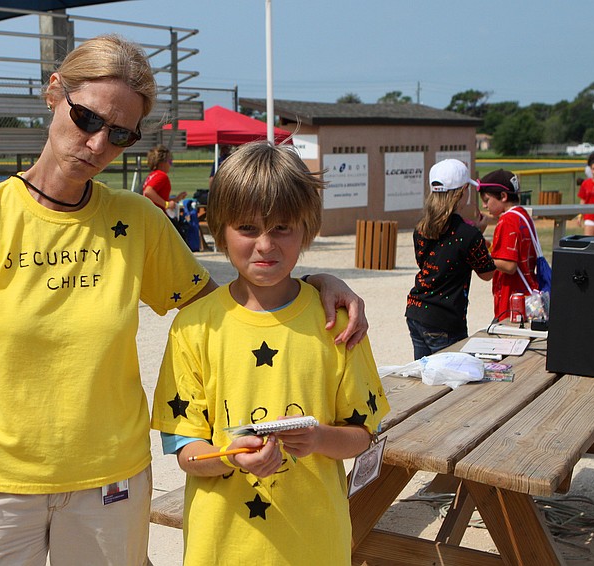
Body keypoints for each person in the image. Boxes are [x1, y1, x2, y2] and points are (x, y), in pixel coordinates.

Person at [0, 35, 370, 566]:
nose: (97, 145)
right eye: (87, 119)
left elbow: (230, 305)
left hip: (109, 487)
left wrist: (317, 281)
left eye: (119, 135)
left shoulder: (138, 222)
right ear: (54, 93)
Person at [151, 141, 390, 566]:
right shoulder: (193, 327)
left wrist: (317, 438)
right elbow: (187, 452)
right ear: (220, 228)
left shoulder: (336, 319)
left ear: (307, 228)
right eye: (246, 228)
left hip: (314, 543)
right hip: (221, 548)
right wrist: (231, 456)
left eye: (282, 227)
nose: (265, 245)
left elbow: (361, 435)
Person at [405, 159, 495, 359]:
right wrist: (480, 236)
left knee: (426, 375)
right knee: (451, 380)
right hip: (445, 318)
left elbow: (434, 260)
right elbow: (487, 273)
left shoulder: (421, 227)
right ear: (463, 191)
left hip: (416, 309)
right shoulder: (468, 233)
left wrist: (476, 233)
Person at [477, 169, 539, 321]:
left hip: (511, 301)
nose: (484, 205)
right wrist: (490, 247)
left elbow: (509, 265)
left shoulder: (507, 221)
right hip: (526, 294)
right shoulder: (522, 215)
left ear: (503, 196)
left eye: (486, 200)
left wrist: (479, 255)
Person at [141, 144, 186, 213]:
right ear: (162, 163)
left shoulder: (152, 175)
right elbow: (148, 192)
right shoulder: (161, 175)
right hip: (155, 215)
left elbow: (158, 198)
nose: (170, 165)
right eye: (170, 161)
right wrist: (166, 205)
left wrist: (176, 199)